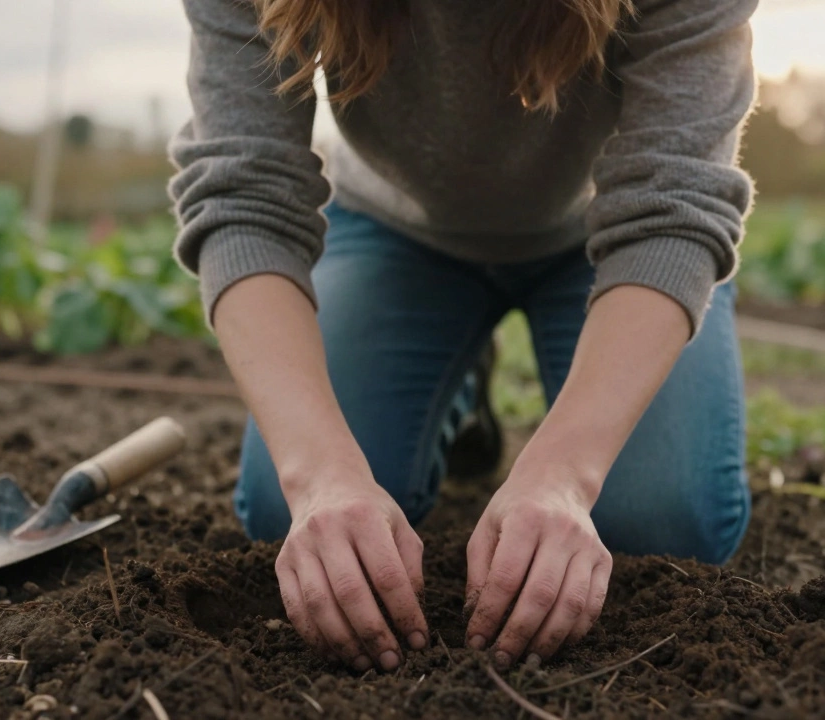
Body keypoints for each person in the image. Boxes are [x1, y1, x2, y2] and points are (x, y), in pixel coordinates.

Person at [170, 0, 758, 675]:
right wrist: (319, 481)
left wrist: (563, 477)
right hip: (398, 234)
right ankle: (458, 368)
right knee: (288, 514)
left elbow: (676, 204)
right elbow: (244, 198)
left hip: (611, 243)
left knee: (663, 527)